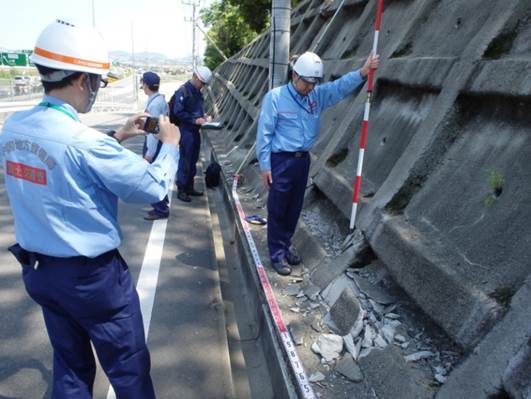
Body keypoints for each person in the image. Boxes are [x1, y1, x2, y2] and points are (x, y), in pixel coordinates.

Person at [0, 20, 180, 398]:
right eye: (97, 81)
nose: (97, 89)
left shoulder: (13, 127)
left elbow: (58, 162)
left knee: (70, 368)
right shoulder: (84, 143)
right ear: (83, 81)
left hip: (41, 273)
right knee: (128, 370)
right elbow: (150, 186)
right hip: (92, 281)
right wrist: (171, 145)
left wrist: (119, 135)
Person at [256, 51, 380, 276]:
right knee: (278, 208)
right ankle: (276, 254)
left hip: (302, 161)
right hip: (280, 161)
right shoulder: (275, 98)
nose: (310, 88)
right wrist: (265, 166)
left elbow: (338, 88)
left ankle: (285, 245)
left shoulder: (315, 97)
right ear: (294, 75)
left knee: (294, 208)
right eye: (306, 83)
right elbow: (264, 134)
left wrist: (363, 72)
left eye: (314, 83)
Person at [172, 66, 212, 202]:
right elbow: (178, 111)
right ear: (195, 77)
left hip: (195, 130)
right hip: (186, 130)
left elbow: (197, 110)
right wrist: (194, 119)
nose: (202, 86)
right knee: (185, 160)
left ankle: (189, 186)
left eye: (204, 84)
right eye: (202, 83)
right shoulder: (183, 91)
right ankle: (182, 188)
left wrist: (204, 117)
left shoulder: (197, 92)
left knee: (193, 159)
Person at [141, 71, 171, 220]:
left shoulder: (154, 105)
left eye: (143, 84)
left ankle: (161, 209)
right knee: (158, 175)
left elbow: (153, 130)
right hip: (161, 142)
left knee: (151, 177)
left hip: (155, 144)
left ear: (146, 85)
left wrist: (149, 153)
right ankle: (163, 203)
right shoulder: (160, 100)